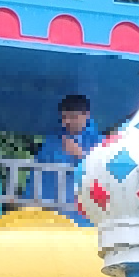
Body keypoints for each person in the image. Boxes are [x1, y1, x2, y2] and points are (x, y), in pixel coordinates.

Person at [35, 94, 100, 224]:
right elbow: (38, 175)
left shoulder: (100, 143)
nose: (68, 122)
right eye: (64, 117)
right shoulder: (52, 141)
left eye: (73, 117)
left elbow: (107, 175)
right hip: (54, 216)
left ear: (86, 115)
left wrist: (81, 155)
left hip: (87, 217)